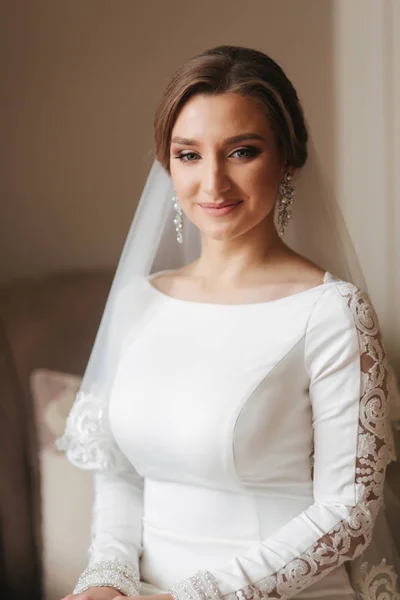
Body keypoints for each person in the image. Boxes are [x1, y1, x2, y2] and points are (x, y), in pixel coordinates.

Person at [57, 45, 400, 600]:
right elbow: (119, 471)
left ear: (287, 158)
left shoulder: (333, 312)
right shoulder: (137, 303)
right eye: (189, 155)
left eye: (241, 151)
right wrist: (107, 579)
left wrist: (196, 596)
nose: (213, 183)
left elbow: (348, 512)